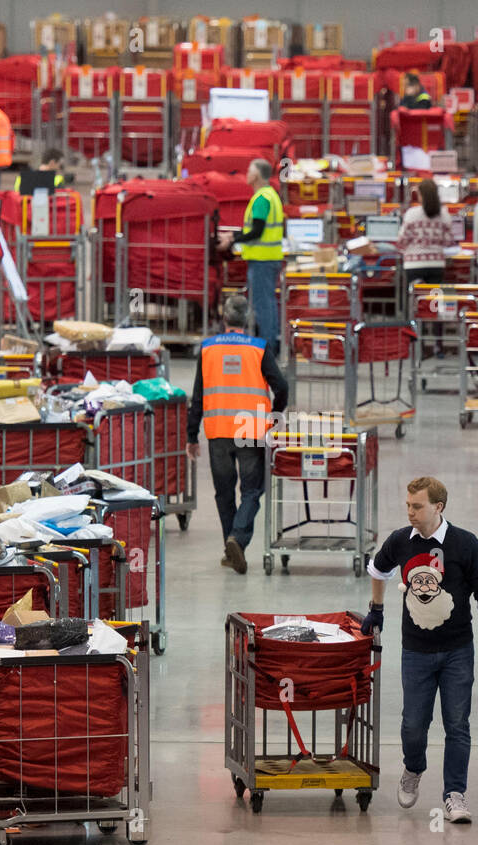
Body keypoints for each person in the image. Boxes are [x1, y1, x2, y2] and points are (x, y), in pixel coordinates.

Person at [362, 476, 478, 824]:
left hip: (458, 651)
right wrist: (376, 608)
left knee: (457, 724)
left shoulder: (465, 544)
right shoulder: (400, 541)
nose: (410, 512)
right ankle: (413, 768)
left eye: (417, 506)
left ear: (438, 507)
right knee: (414, 724)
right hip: (416, 652)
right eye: (408, 505)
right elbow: (378, 570)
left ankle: (454, 794)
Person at [186, 294, 288, 575]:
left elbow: (198, 396)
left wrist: (191, 436)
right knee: (253, 490)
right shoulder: (259, 347)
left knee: (224, 493)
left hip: (217, 430)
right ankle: (237, 539)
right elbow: (282, 386)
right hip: (251, 429)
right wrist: (274, 416)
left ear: (224, 318)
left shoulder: (207, 349)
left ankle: (231, 549)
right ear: (248, 320)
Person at [218, 159, 285, 356]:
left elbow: (256, 231)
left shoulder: (262, 198)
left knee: (263, 306)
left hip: (262, 260)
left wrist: (232, 241)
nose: (246, 174)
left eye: (249, 170)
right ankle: (270, 345)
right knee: (268, 304)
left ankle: (267, 350)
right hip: (267, 258)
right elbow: (252, 229)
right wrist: (232, 236)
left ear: (256, 175)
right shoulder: (269, 195)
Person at [398, 178, 457, 287]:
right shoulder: (444, 215)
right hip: (436, 264)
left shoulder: (411, 214)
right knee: (432, 300)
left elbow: (402, 240)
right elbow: (449, 242)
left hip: (413, 264)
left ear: (420, 195)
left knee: (415, 299)